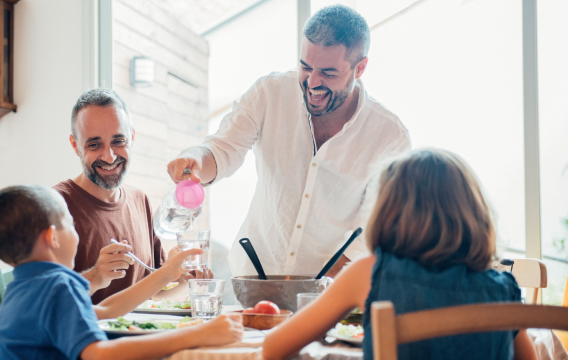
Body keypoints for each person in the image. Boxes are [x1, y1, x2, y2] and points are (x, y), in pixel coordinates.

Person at [167, 5, 411, 278]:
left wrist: (326, 288)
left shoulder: (390, 136)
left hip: (331, 289)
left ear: (360, 67)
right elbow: (223, 149)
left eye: (329, 73)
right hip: (254, 277)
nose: (312, 82)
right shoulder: (269, 93)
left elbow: (376, 226)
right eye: (305, 67)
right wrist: (196, 158)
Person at [262, 149, 538, 360]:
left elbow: (273, 349)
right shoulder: (503, 289)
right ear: (474, 215)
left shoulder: (369, 273)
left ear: (388, 213)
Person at [0, 185, 243, 360]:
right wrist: (198, 334)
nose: (76, 233)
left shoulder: (27, 287)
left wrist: (165, 274)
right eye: (72, 226)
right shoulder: (57, 287)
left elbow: (107, 310)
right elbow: (100, 354)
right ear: (53, 237)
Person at [54, 89, 210, 303]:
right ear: (75, 146)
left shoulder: (140, 201)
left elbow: (154, 293)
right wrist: (95, 277)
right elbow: (43, 301)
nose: (109, 156)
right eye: (94, 144)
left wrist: (185, 278)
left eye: (118, 141)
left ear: (132, 138)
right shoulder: (53, 207)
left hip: (138, 333)